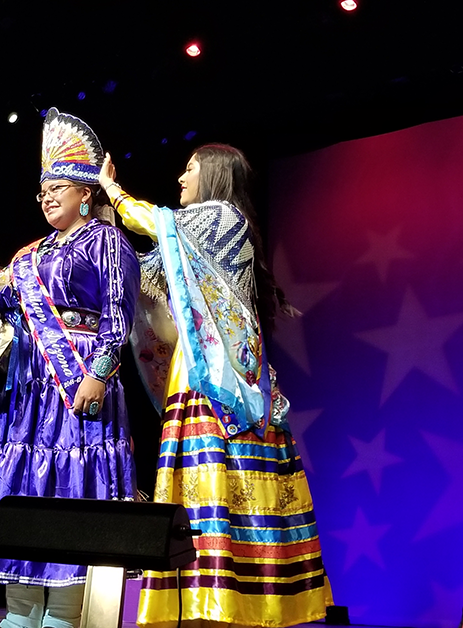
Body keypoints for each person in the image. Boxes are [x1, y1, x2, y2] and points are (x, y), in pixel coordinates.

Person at [99, 145, 333, 628]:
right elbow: (147, 275)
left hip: (219, 375)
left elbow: (156, 225)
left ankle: (230, 601)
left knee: (225, 481)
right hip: (208, 366)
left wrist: (113, 193)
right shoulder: (199, 232)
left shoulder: (222, 217)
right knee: (214, 484)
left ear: (215, 174)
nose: (181, 177)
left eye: (189, 168)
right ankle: (211, 600)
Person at [0, 108, 140, 628]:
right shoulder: (27, 255)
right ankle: (19, 610)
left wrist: (98, 373)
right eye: (42, 191)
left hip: (78, 383)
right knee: (21, 488)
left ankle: (61, 612)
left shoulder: (107, 240)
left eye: (58, 187)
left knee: (70, 491)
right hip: (27, 391)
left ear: (85, 192)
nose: (48, 197)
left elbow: (118, 315)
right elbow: (20, 313)